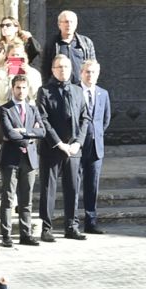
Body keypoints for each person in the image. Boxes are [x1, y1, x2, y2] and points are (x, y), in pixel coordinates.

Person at [36, 53, 88, 240]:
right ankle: (46, 228)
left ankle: (71, 226)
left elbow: (85, 118)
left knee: (73, 188)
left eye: (66, 67)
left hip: (74, 149)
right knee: (48, 189)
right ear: (53, 70)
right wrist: (59, 143)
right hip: (52, 148)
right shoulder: (45, 91)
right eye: (59, 67)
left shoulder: (77, 90)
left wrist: (77, 143)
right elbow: (43, 120)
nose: (63, 70)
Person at [0, 74, 41, 247]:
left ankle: (25, 234)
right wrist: (29, 136)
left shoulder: (33, 109)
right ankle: (6, 235)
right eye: (18, 88)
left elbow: (42, 131)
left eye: (24, 88)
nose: (21, 91)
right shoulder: (5, 109)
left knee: (26, 199)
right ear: (12, 89)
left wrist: (21, 132)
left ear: (28, 89)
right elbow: (8, 132)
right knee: (8, 198)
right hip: (10, 159)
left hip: (29, 160)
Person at [77, 61, 108, 232]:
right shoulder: (74, 91)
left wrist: (95, 135)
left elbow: (105, 119)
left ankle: (91, 221)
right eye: (87, 72)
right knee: (74, 184)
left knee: (92, 186)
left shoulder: (103, 94)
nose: (90, 75)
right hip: (78, 147)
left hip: (96, 147)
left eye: (93, 72)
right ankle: (72, 221)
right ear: (81, 73)